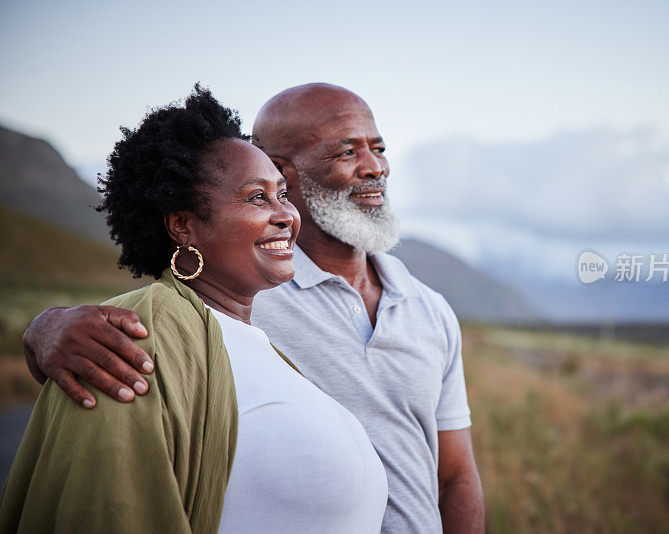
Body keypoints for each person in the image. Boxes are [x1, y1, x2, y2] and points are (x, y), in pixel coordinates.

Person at [22, 83, 485, 533]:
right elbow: (141, 336)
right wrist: (46, 328)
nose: (374, 167)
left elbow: (455, 473)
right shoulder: (238, 293)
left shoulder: (429, 308)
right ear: (288, 168)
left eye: (378, 148)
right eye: (347, 152)